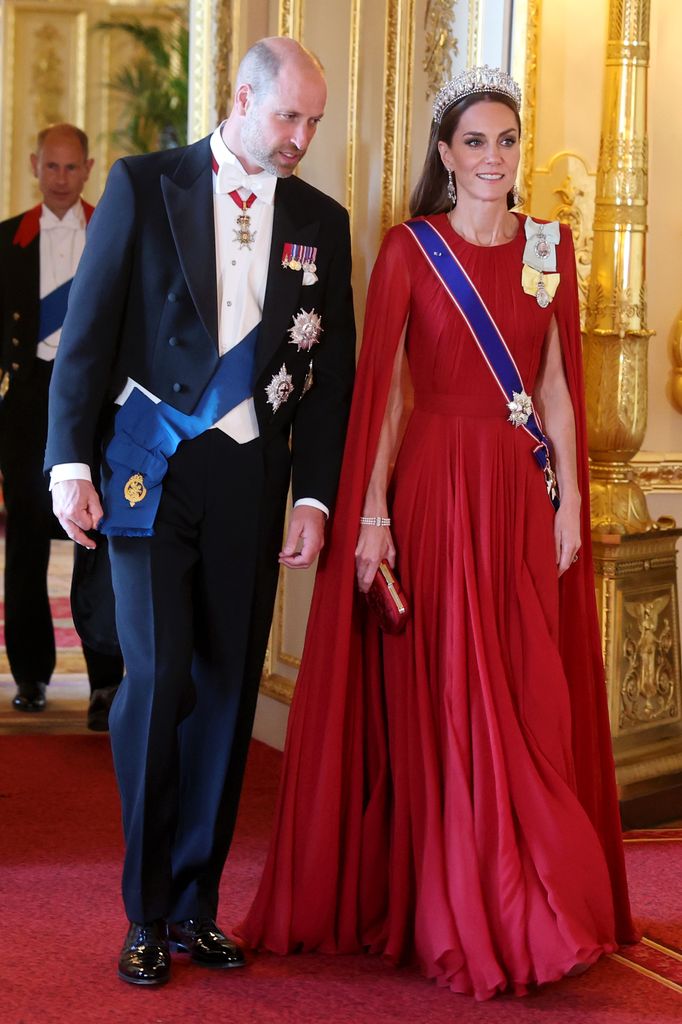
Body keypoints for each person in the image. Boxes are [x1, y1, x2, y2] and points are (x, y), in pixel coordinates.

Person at [238, 66, 637, 998]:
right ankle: (480, 902)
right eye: (474, 142)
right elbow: (380, 397)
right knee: (459, 693)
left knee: (526, 692)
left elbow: (554, 386)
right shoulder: (410, 249)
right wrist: (371, 512)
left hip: (516, 491)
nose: (492, 158)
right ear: (446, 156)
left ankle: (535, 888)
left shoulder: (551, 245)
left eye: (506, 141)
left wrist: (572, 501)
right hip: (433, 487)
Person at [45, 37, 355, 987]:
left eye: (314, 121)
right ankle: (144, 910)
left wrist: (313, 491)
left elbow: (332, 372)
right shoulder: (147, 185)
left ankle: (194, 907)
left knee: (224, 686)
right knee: (159, 675)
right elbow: (89, 336)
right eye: (287, 116)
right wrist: (66, 465)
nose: (302, 136)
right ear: (241, 97)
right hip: (148, 471)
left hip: (250, 483)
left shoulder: (321, 220)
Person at [0, 124, 124, 727]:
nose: (61, 179)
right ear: (34, 165)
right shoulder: (7, 241)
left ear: (90, 167)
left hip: (97, 402)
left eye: (73, 168)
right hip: (26, 403)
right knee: (25, 538)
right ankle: (30, 674)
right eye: (51, 167)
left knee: (96, 536)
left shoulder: (115, 229)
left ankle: (105, 682)